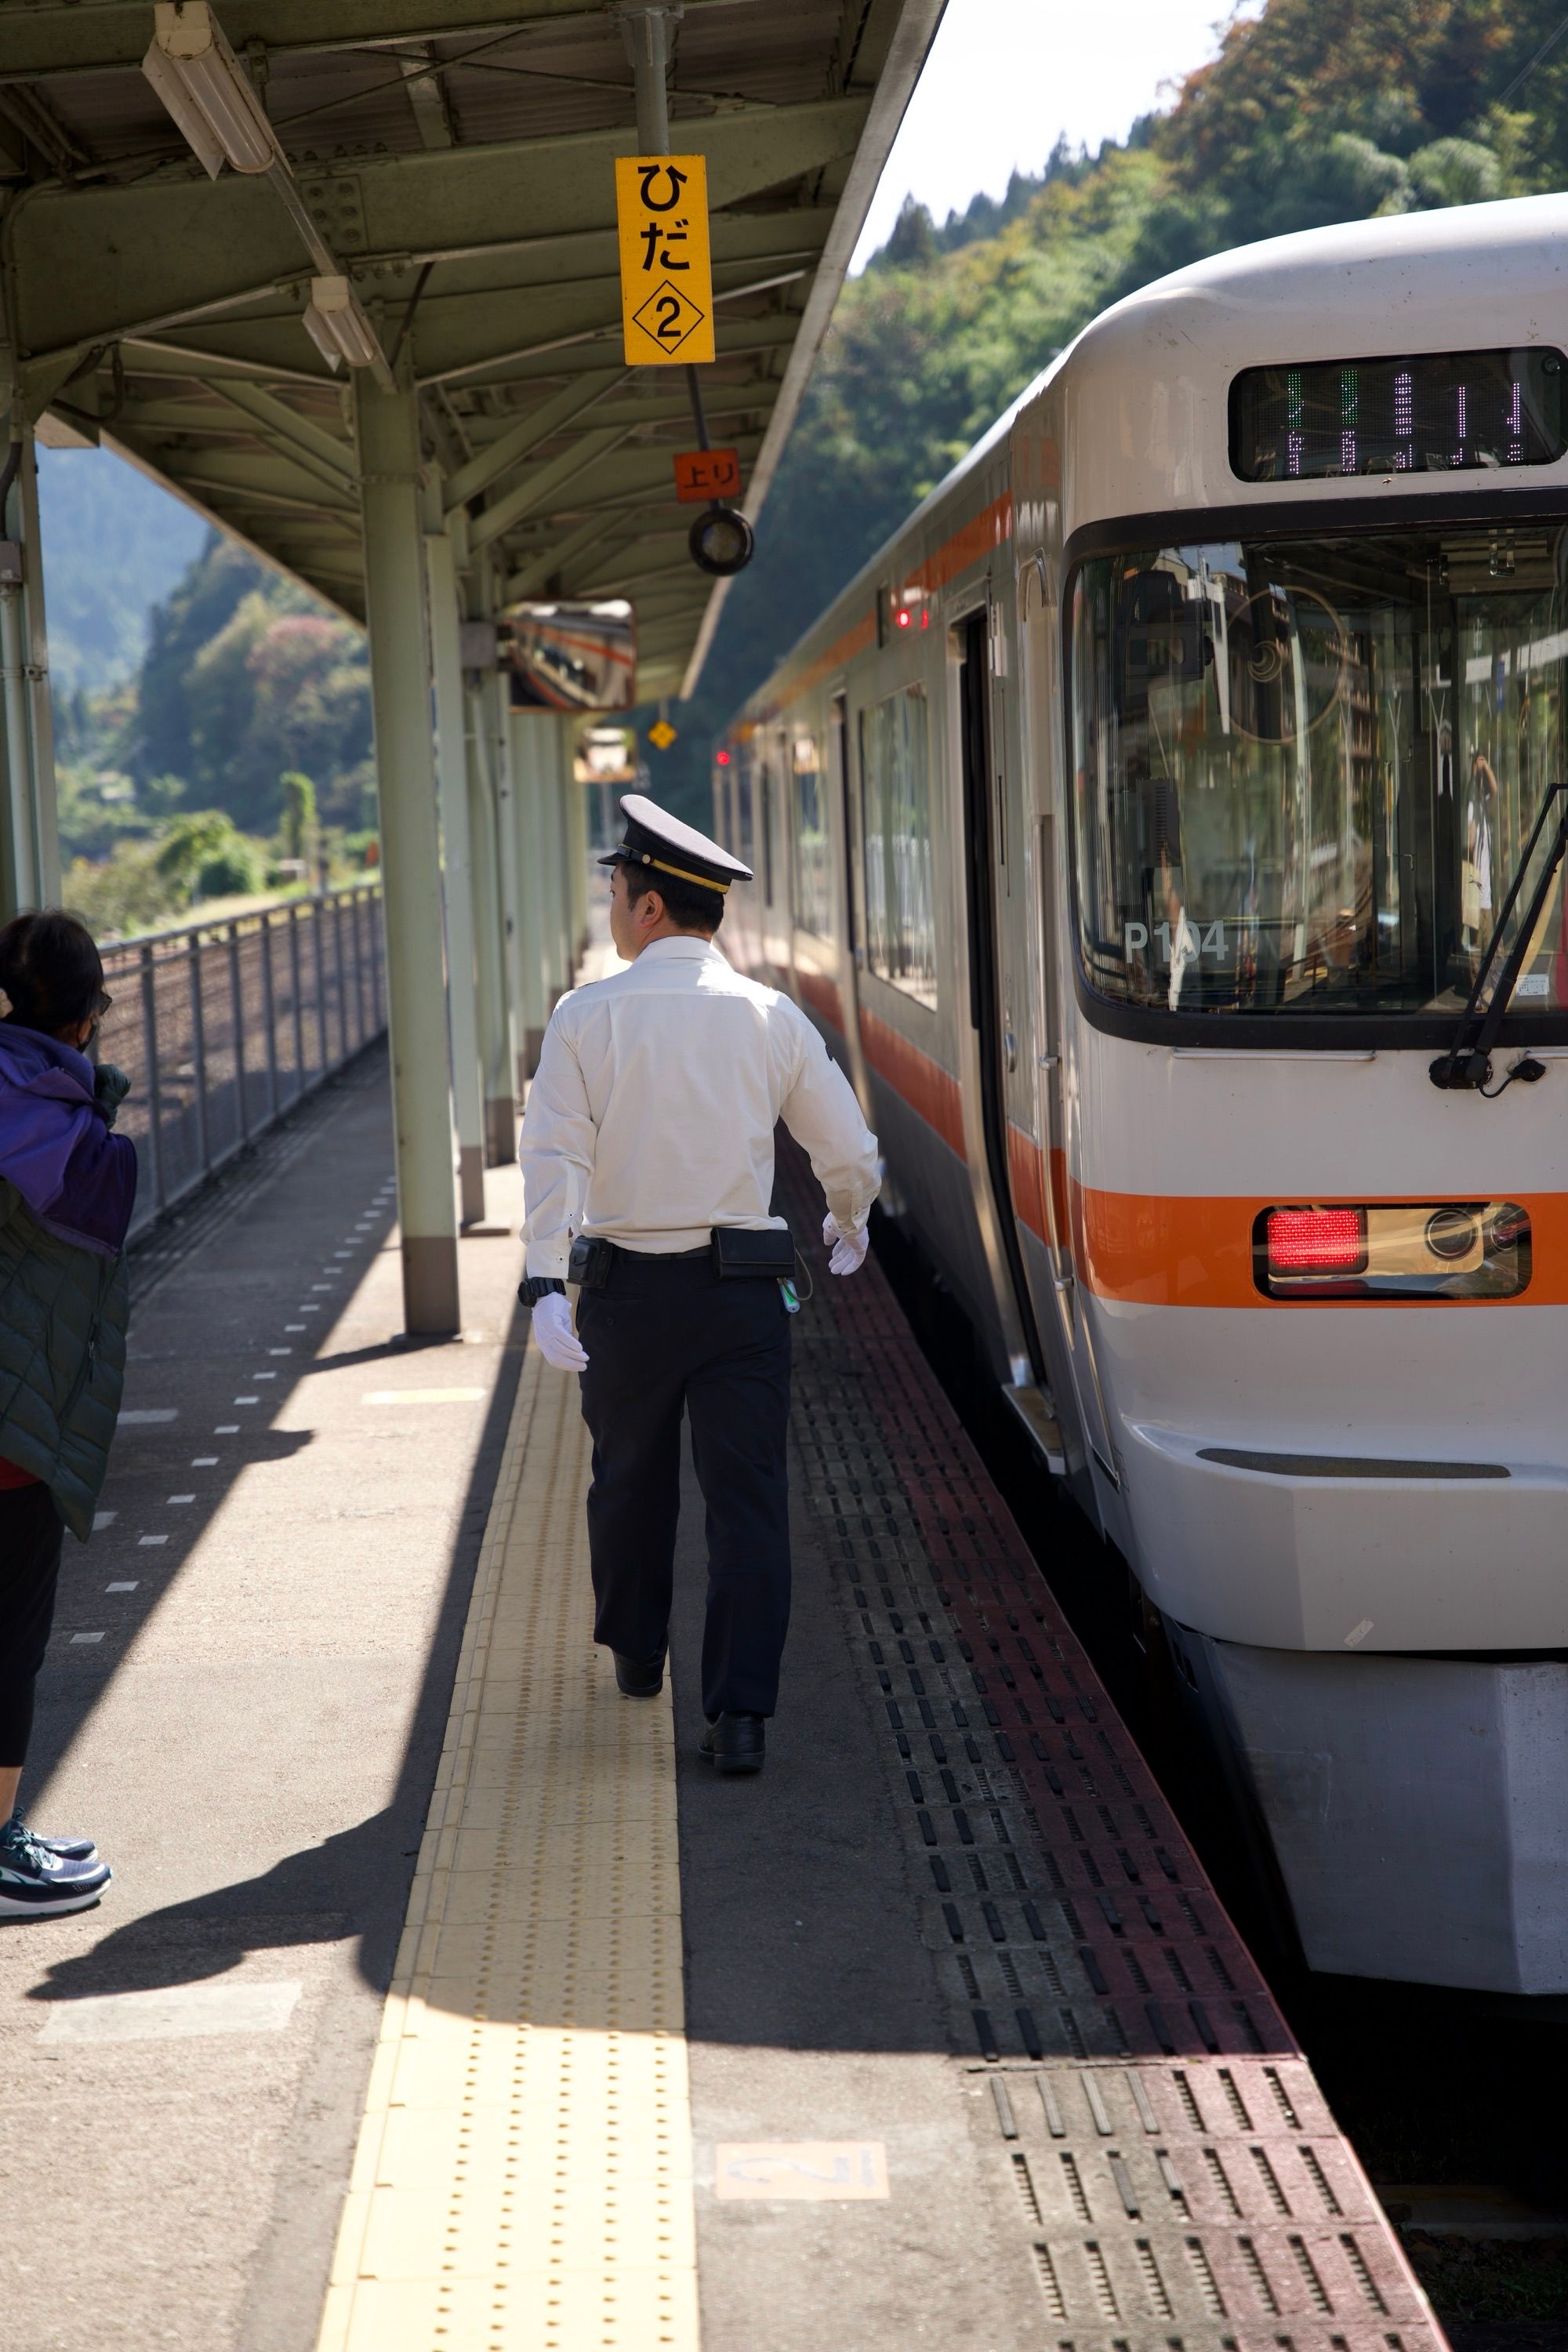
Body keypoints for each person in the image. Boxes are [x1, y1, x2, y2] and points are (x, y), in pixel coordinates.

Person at [518, 794, 880, 1777]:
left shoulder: (584, 1017)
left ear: (645, 910)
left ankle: (640, 1654)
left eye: (615, 890)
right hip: (741, 1302)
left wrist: (545, 1283)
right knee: (747, 1500)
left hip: (626, 1298)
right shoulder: (771, 1017)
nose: (610, 907)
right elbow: (843, 1148)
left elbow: (554, 1157)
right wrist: (846, 1218)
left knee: (627, 1482)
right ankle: (741, 1716)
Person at [0, 909, 137, 1915]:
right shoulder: (71, 1140)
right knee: (10, 1638)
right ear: (87, 1017)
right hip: (12, 1435)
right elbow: (97, 1213)